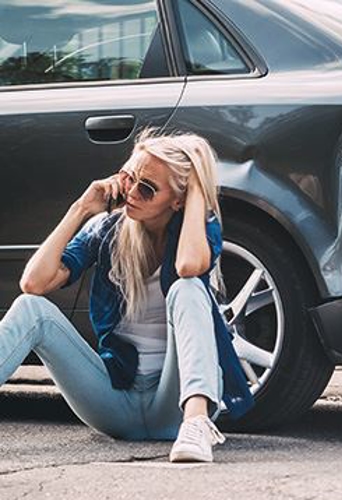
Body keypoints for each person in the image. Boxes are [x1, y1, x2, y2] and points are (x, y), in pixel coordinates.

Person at [0, 128, 253, 463]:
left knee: (188, 287)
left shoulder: (199, 230)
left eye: (147, 189)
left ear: (177, 200)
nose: (132, 192)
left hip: (173, 406)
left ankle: (197, 425)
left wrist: (195, 194)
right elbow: (34, 283)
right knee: (31, 308)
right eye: (128, 178)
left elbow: (190, 266)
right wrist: (81, 208)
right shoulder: (107, 230)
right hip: (113, 403)